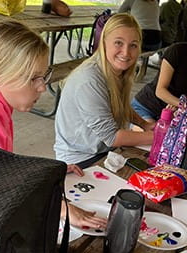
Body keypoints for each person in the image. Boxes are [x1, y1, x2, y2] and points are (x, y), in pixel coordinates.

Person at [0, 19, 104, 229]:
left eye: (43, 76)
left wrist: (41, 172)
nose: (42, 87)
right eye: (33, 79)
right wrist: (59, 207)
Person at [54, 14, 154, 167]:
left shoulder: (117, 70)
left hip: (103, 151)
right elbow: (112, 137)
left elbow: (118, 106)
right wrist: (156, 137)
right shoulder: (90, 80)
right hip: (79, 159)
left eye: (133, 45)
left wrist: (143, 124)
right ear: (104, 42)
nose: (126, 53)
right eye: (118, 43)